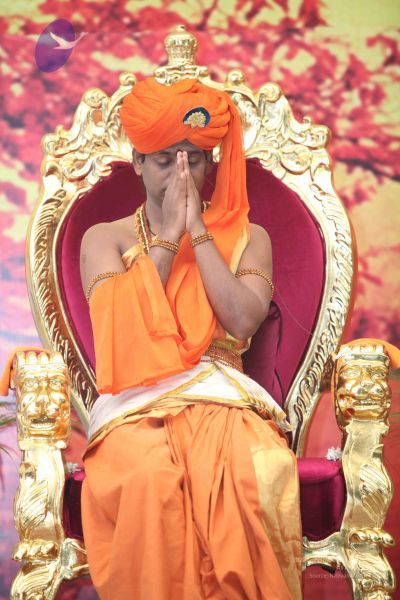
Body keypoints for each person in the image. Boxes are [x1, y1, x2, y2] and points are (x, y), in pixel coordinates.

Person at [79, 76, 303, 599]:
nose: (181, 173)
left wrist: (199, 231)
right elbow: (125, 327)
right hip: (135, 400)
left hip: (225, 399)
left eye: (194, 160)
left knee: (250, 475)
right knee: (148, 479)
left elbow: (242, 322)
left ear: (210, 164)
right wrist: (167, 238)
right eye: (165, 160)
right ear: (137, 160)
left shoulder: (250, 237)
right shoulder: (103, 238)